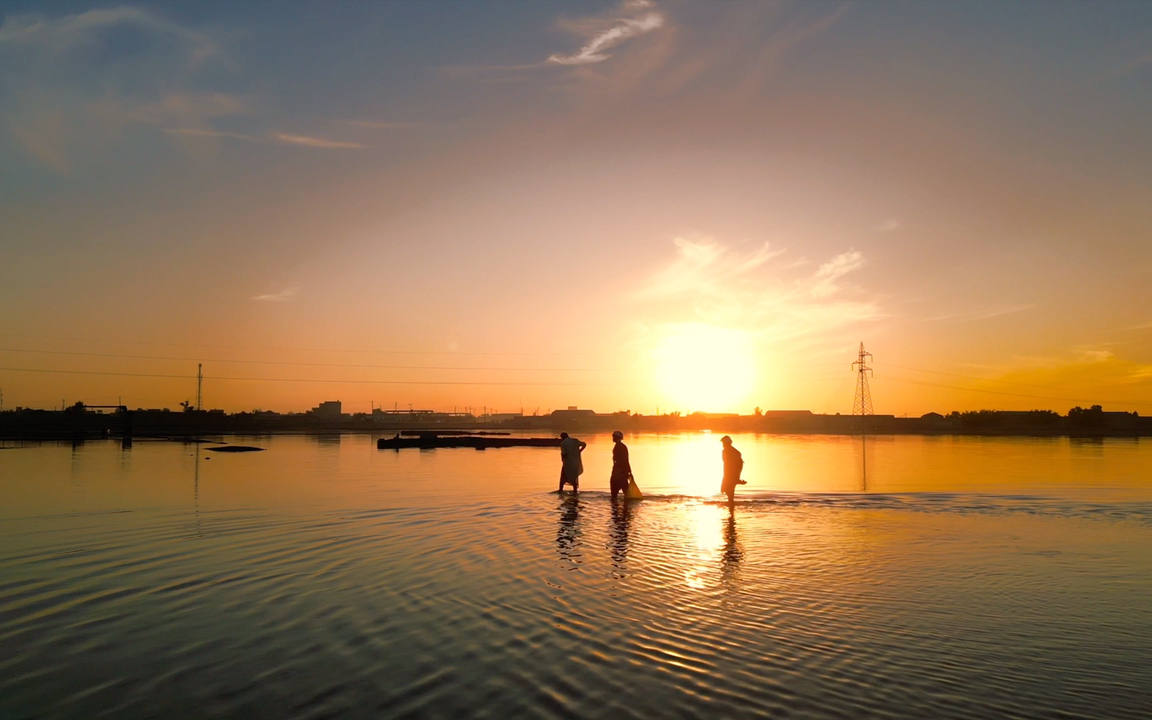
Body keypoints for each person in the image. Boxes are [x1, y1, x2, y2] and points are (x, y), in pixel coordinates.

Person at [720, 435, 746, 504]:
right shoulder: (733, 451)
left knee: (729, 492)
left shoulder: (727, 451)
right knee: (729, 493)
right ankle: (731, 510)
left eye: (723, 443)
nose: (723, 445)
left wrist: (734, 478)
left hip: (730, 474)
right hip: (731, 474)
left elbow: (730, 465)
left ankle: (731, 508)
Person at [609, 430, 633, 501]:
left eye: (614, 437)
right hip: (621, 470)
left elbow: (624, 460)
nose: (612, 438)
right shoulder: (620, 446)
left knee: (615, 489)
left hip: (619, 471)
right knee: (625, 490)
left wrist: (624, 471)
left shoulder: (620, 447)